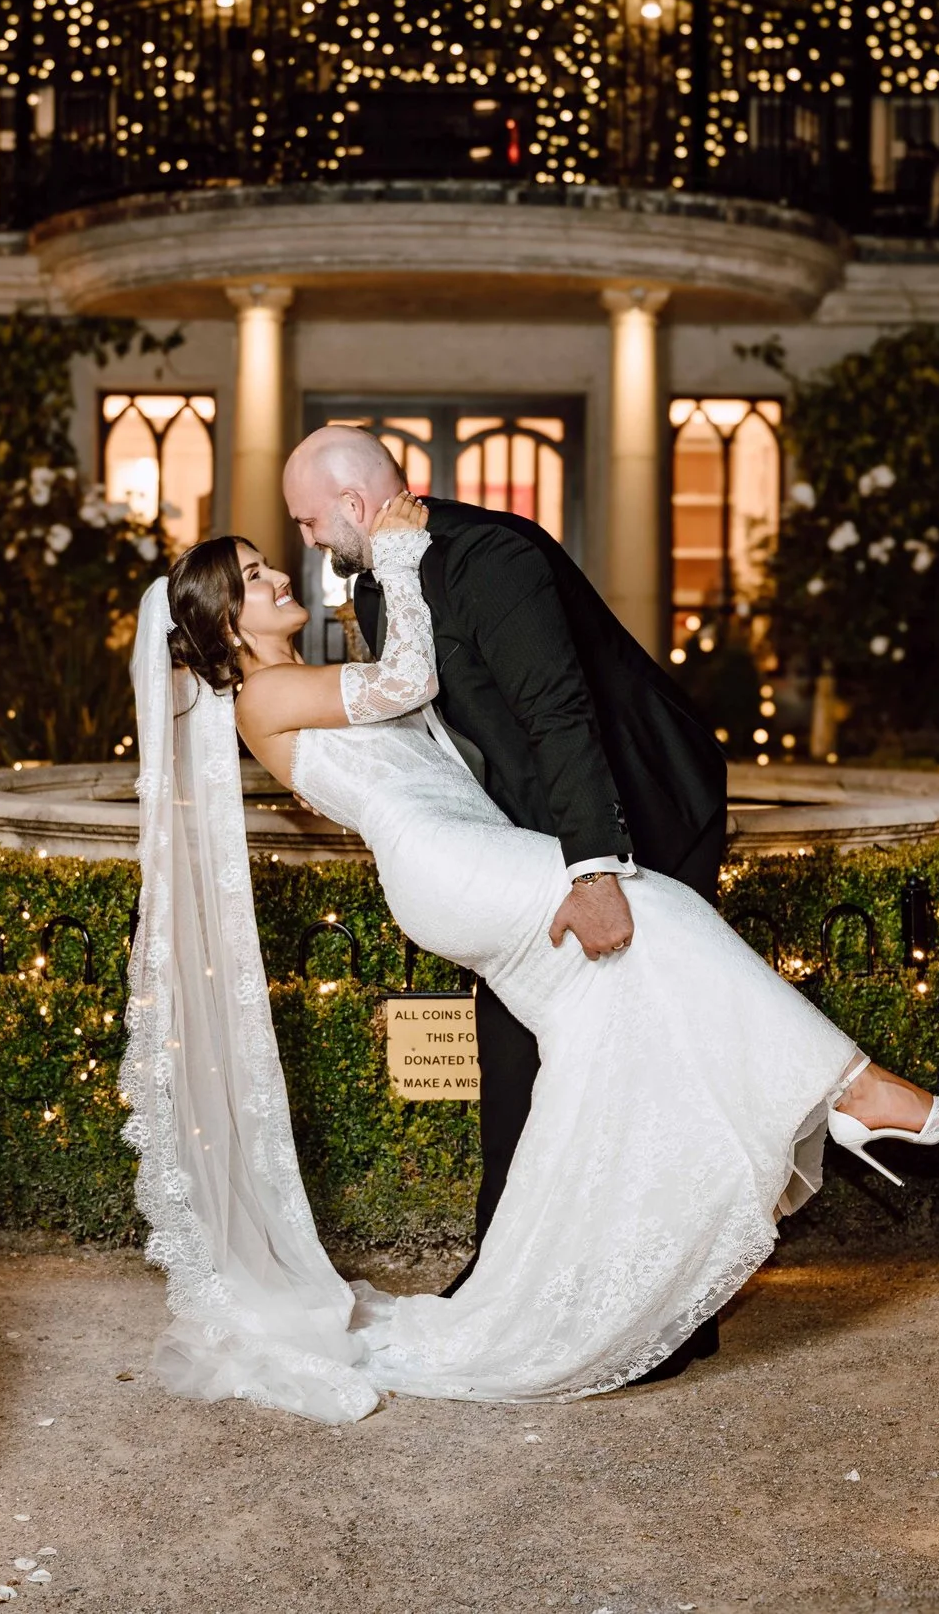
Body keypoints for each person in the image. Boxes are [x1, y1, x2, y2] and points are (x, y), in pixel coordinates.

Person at [117, 488, 939, 1425]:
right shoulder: (268, 692)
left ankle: (555, 1286)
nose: (282, 571)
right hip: (450, 865)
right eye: (253, 576)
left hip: (461, 854)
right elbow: (412, 678)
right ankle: (864, 1096)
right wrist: (404, 556)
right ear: (224, 621)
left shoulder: (307, 673)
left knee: (610, 1033)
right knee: (659, 915)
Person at [291, 425, 731, 1378]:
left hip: (640, 811)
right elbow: (433, 710)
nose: (310, 539)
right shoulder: (378, 581)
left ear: (356, 507)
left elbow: (558, 713)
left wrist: (594, 869)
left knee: (637, 1058)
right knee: (512, 1043)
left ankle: (665, 1310)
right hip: (531, 835)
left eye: (312, 519)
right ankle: (506, 1277)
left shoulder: (496, 557)